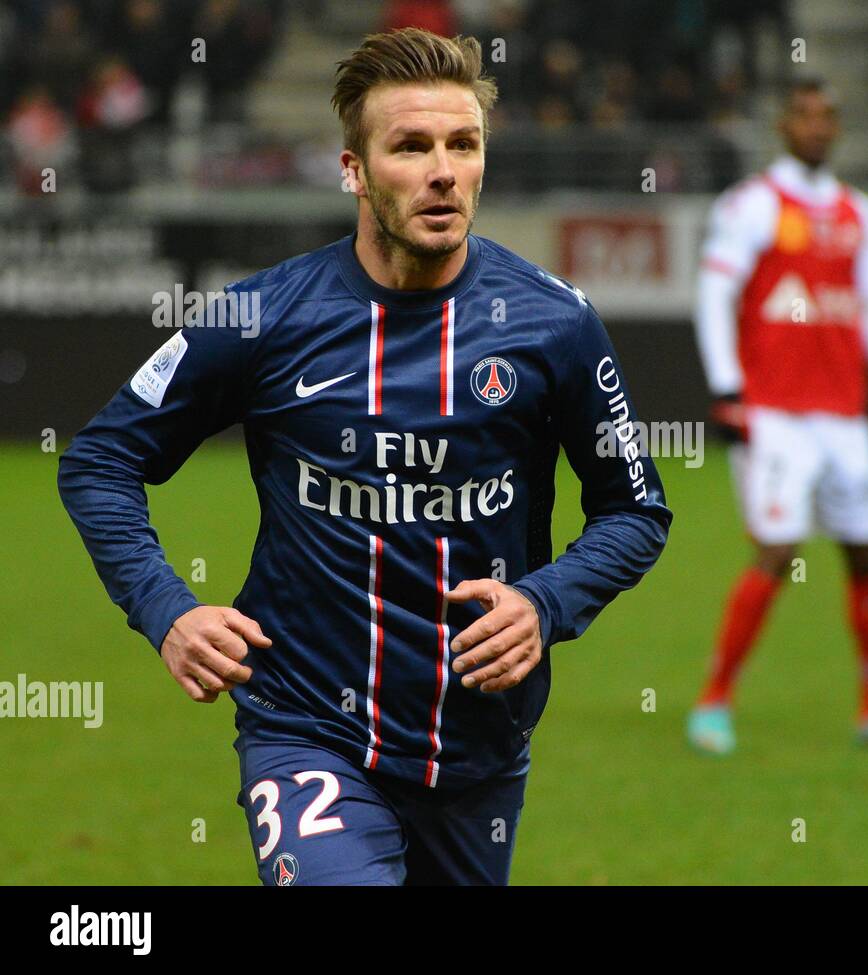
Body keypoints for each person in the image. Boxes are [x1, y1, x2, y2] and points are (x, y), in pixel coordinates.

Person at [58, 28, 671, 885]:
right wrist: (167, 609)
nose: (443, 170)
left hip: (479, 748)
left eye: (464, 144)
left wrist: (545, 601)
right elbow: (100, 460)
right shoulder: (262, 317)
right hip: (304, 729)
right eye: (411, 146)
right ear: (354, 169)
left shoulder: (556, 325)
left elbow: (635, 509)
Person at [687, 78, 868, 755]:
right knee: (777, 549)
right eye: (804, 115)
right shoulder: (753, 205)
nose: (817, 126)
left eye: (828, 116)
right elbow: (715, 295)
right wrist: (727, 389)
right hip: (773, 414)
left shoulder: (860, 212)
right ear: (783, 125)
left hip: (843, 415)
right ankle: (714, 700)